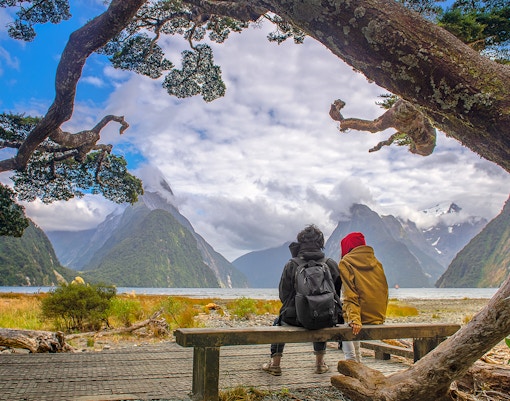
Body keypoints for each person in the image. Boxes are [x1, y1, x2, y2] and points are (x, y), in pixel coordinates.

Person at [262, 224, 341, 376]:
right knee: (321, 313)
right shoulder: (330, 263)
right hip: (323, 318)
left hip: (294, 318)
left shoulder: (292, 264)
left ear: (300, 242)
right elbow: (336, 293)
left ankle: (275, 364)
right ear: (321, 243)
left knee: (278, 322)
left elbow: (283, 294)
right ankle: (320, 364)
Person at [338, 232, 388, 362]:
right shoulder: (377, 262)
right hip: (377, 316)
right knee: (351, 316)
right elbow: (384, 290)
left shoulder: (345, 262)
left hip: (360, 318)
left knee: (346, 319)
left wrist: (354, 319)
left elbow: (350, 294)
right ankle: (358, 361)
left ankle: (351, 360)